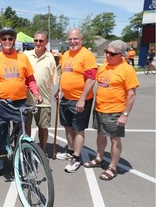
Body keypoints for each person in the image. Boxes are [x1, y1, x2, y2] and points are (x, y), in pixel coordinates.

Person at [0, 27, 43, 183]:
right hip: (1, 103)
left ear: (14, 41)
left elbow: (30, 79)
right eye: (4, 39)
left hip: (20, 103)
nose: (7, 42)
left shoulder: (22, 58)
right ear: (0, 41)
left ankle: (23, 161)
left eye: (10, 39)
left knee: (22, 135)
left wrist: (36, 93)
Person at [83, 40, 139, 180]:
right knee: (100, 135)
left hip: (115, 111)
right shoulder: (105, 66)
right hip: (99, 109)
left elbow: (131, 94)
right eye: (107, 52)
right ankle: (99, 158)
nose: (107, 55)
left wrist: (124, 115)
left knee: (115, 140)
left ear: (121, 55)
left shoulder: (127, 69)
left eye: (111, 53)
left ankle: (112, 167)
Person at [55, 28, 98, 173]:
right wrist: (60, 90)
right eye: (70, 39)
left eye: (75, 38)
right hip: (66, 98)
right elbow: (64, 75)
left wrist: (82, 99)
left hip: (80, 100)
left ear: (81, 39)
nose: (72, 41)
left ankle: (77, 158)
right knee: (67, 126)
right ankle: (70, 150)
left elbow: (91, 79)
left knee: (78, 129)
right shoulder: (65, 54)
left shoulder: (87, 55)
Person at [24, 30, 58, 152]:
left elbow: (54, 79)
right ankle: (26, 150)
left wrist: (59, 91)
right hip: (26, 100)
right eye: (36, 40)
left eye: (41, 41)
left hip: (43, 99)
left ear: (46, 42)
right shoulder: (25, 55)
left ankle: (42, 151)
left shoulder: (51, 58)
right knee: (25, 126)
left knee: (43, 127)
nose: (38, 43)